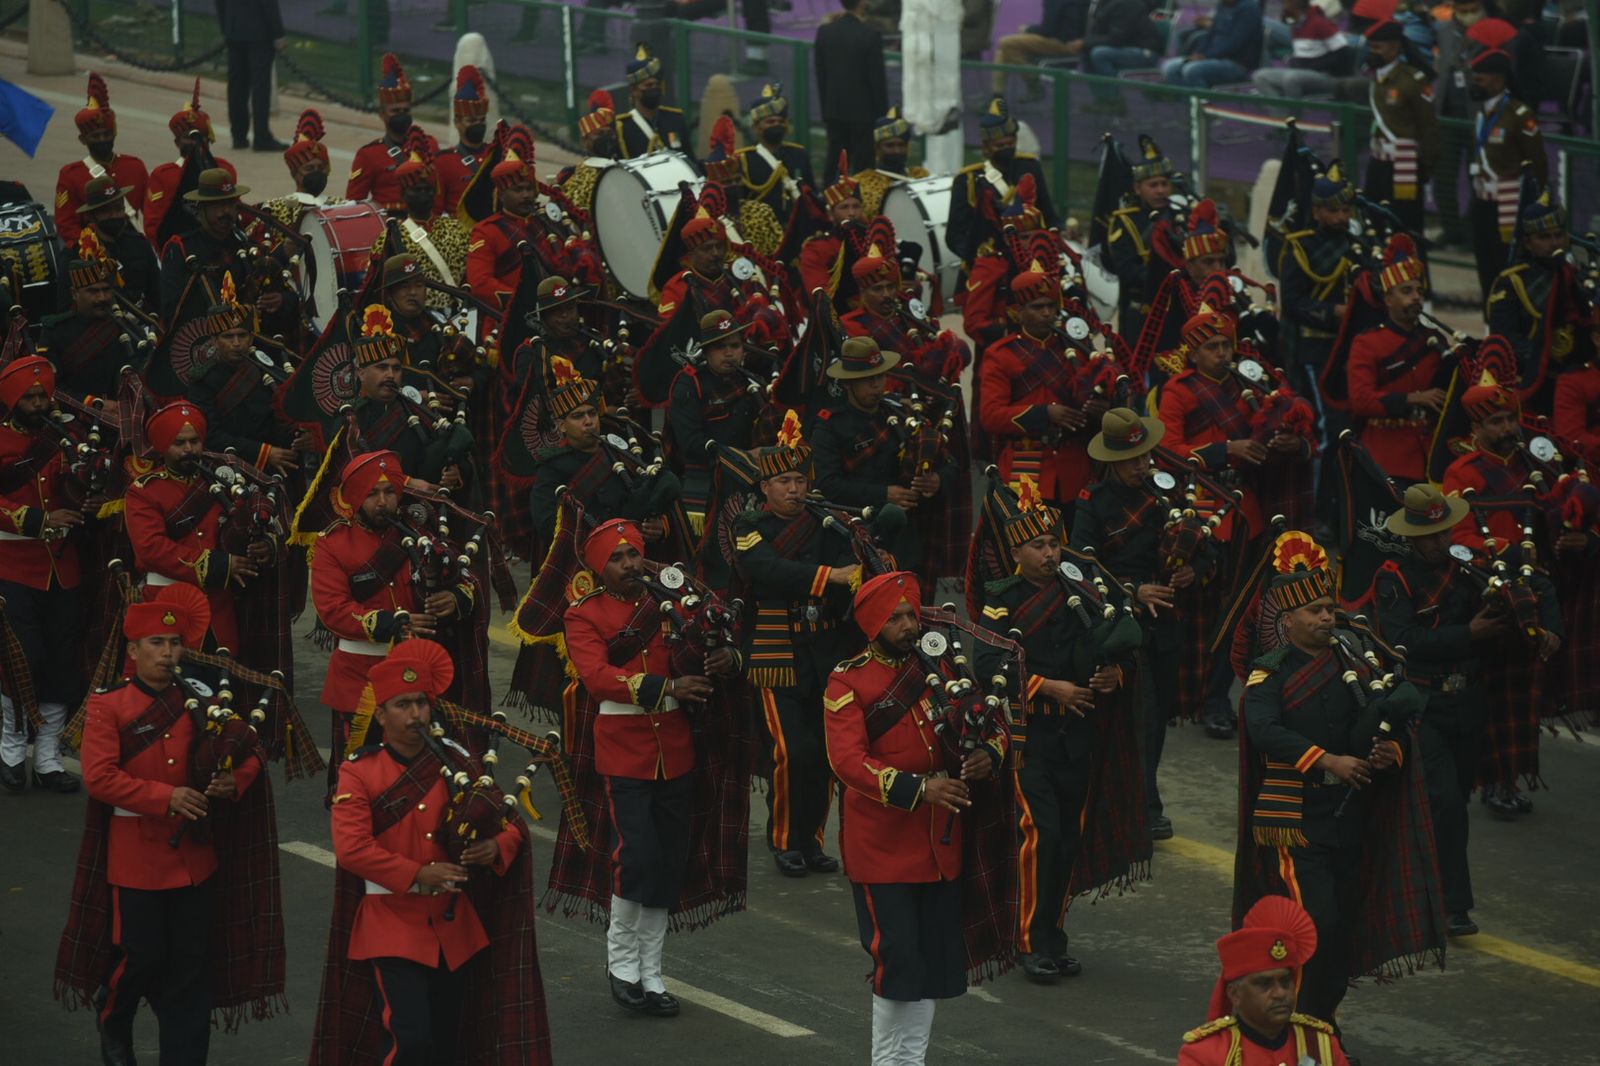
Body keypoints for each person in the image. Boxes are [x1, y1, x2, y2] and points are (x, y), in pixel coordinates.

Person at [58, 585, 282, 1066]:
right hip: (137, 858)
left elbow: (251, 749)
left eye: (174, 643)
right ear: (133, 651)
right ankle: (113, 1014)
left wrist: (233, 781)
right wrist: (168, 798)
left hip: (196, 858)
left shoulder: (201, 698)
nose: (167, 653)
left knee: (189, 971)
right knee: (141, 957)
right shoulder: (108, 705)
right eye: (155, 645)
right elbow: (99, 778)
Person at [312, 639, 550, 1065]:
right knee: (410, 1041)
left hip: (453, 928)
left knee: (447, 1042)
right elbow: (351, 850)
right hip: (391, 926)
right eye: (402, 705)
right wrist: (418, 874)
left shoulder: (459, 761)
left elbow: (510, 825)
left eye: (421, 702)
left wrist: (493, 846)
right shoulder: (359, 772)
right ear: (381, 715)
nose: (416, 714)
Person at [824, 571, 1010, 1066]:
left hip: (940, 845)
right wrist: (920, 788)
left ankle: (912, 1061)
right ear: (873, 625)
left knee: (930, 964)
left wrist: (988, 754)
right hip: (882, 847)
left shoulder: (943, 668)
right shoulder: (848, 679)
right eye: (897, 618)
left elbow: (992, 724)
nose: (910, 624)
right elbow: (847, 762)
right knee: (898, 961)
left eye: (912, 614)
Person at [560, 520, 741, 1016]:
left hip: (676, 747)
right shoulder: (584, 614)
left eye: (633, 555)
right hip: (624, 749)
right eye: (617, 559)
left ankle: (653, 972)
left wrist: (726, 655)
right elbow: (597, 678)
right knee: (635, 857)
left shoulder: (672, 600)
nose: (630, 566)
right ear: (600, 568)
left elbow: (709, 639)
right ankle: (621, 964)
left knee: (667, 861)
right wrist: (666, 688)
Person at [974, 482, 1143, 981]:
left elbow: (1124, 644)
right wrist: (1050, 688)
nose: (1050, 554)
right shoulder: (1002, 599)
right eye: (1038, 546)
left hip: (1078, 737)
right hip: (1030, 739)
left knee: (1068, 839)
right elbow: (988, 663)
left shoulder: (1083, 591)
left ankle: (1054, 937)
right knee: (1040, 834)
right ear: (1016, 552)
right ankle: (1027, 940)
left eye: (1053, 543)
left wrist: (1118, 674)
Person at [1239, 542, 1409, 1022]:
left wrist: (1390, 749)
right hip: (1295, 817)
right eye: (1314, 610)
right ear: (1287, 621)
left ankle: (1321, 1022)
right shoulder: (1268, 673)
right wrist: (1328, 761)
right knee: (1319, 926)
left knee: (1345, 929)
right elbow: (1264, 730)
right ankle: (1301, 1022)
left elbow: (1385, 720)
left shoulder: (1357, 665)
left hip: (1351, 816)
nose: (1326, 618)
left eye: (1330, 609)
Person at [1371, 485, 1505, 935]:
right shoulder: (1393, 578)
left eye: (1444, 531)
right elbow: (1404, 641)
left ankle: (1422, 886)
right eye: (1430, 535)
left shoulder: (1465, 568)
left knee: (1455, 802)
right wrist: (1469, 634)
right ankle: (1453, 905)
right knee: (1444, 801)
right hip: (1423, 704)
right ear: (1412, 536)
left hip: (1466, 702)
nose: (1439, 541)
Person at [733, 414, 862, 876]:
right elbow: (766, 570)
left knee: (827, 751)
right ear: (765, 486)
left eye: (799, 479)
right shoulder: (749, 526)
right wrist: (830, 578)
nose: (793, 489)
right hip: (776, 651)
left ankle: (812, 840)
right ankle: (786, 839)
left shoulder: (827, 522)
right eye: (783, 480)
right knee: (793, 751)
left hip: (826, 651)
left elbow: (856, 567)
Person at [1439, 369, 1566, 816]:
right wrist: (1511, 555)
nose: (1507, 429)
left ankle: (1510, 776)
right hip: (1486, 592)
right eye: (1495, 422)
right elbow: (1459, 537)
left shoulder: (1532, 469)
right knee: (1491, 695)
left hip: (1533, 589)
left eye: (1510, 419)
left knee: (1523, 695)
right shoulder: (1461, 473)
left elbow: (1553, 524)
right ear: (1475, 428)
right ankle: (1492, 780)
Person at [1074, 408, 1190, 840]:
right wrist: (1133, 591)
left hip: (1166, 624)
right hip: (1120, 621)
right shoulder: (1092, 502)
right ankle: (1138, 806)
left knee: (1157, 718)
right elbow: (1081, 566)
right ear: (1111, 460)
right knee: (1135, 718)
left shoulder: (1165, 494)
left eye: (1146, 456)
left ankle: (1142, 799)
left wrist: (1193, 570)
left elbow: (1197, 543)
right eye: (1133, 459)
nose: (1143, 465)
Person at [310, 451, 431, 768]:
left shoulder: (417, 536)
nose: (383, 502)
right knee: (358, 779)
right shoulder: (332, 544)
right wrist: (392, 623)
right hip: (358, 680)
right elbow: (333, 609)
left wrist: (456, 597)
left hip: (414, 676)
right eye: (372, 493)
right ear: (355, 497)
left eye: (389, 492)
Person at [0, 357, 87, 794]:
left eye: (42, 396)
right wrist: (37, 520)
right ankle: (12, 750)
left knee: (60, 664)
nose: (37, 404)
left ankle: (49, 757)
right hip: (12, 565)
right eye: (28, 397)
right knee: (22, 661)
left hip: (62, 567)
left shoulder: (63, 438)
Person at [124, 402, 258, 654]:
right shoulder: (144, 491)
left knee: (222, 680)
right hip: (167, 599)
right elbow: (149, 548)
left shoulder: (220, 479)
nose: (189, 449)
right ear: (164, 446)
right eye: (179, 443)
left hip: (219, 602)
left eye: (194, 441)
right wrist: (218, 565)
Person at [812, 337, 950, 576]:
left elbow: (949, 464)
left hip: (906, 540)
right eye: (867, 379)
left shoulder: (900, 413)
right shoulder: (829, 426)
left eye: (880, 376)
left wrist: (937, 480)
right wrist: (884, 495)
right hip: (855, 537)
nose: (877, 385)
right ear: (847, 383)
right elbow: (827, 486)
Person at [980, 262, 1098, 513]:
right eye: (1037, 307)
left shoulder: (1077, 350)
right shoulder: (1000, 355)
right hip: (1026, 466)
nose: (1046, 313)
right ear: (1018, 312)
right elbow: (990, 416)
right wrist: (1044, 414)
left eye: (1051, 306)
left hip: (1074, 467)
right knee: (1029, 546)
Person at [1177, 895, 1349, 1065]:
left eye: (1285, 981)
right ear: (1235, 994)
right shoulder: (1204, 1055)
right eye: (1264, 984)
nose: (1280, 993)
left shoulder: (1320, 1045)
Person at [467, 126, 603, 315]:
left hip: (559, 316)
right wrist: (526, 303)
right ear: (502, 195)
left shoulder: (549, 222)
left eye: (529, 189)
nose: (526, 195)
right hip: (512, 320)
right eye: (518, 190)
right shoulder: (487, 232)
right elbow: (481, 284)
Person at [1342, 235, 1444, 484]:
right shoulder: (1367, 343)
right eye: (1406, 291)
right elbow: (1361, 401)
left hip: (1431, 454)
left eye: (1419, 291)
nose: (1416, 297)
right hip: (1385, 455)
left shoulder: (1435, 339)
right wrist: (1414, 398)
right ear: (1388, 299)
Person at [185, 281, 307, 474]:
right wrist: (264, 453)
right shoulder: (202, 380)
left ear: (251, 338)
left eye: (242, 335)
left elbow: (285, 414)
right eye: (228, 337)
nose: (236, 343)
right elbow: (210, 436)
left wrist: (301, 435)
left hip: (282, 461)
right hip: (235, 467)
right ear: (215, 341)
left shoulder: (266, 366)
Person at [158, 169, 295, 329]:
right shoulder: (182, 248)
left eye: (231, 204)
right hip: (201, 340)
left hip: (248, 340)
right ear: (202, 209)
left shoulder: (246, 246)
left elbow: (288, 296)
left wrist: (280, 300)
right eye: (218, 205)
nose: (226, 211)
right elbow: (170, 308)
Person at [1487, 189, 1589, 403]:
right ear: (1527, 243)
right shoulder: (1512, 283)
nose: (1554, 243)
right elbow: (1504, 339)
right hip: (1532, 385)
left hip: (1578, 383)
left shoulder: (1579, 277)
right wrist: (1544, 359)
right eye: (1544, 237)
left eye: (1559, 235)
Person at [667, 311, 764, 529]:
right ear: (707, 351)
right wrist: (742, 457)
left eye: (735, 346)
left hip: (747, 478)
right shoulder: (690, 383)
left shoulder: (751, 381)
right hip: (703, 477)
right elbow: (690, 442)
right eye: (721, 347)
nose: (729, 353)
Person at [1467, 48, 1546, 303]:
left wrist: (1536, 200)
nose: (1474, 84)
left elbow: (1537, 162)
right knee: (1485, 264)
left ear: (1498, 81)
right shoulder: (1482, 114)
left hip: (1508, 203)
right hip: (1482, 200)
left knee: (1506, 263)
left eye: (1480, 79)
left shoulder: (1519, 115)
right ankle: (1490, 322)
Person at [946, 96, 1058, 269]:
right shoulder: (968, 181)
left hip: (1032, 263)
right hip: (990, 267)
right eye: (999, 146)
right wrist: (979, 260)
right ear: (986, 147)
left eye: (1010, 143)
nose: (1007, 149)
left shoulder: (1030, 168)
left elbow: (1049, 216)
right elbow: (955, 236)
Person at [371, 138, 472, 314]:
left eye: (428, 190)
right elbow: (379, 285)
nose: (423, 195)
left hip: (457, 315)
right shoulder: (390, 238)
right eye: (417, 190)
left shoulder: (458, 230)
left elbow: (470, 276)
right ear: (403, 195)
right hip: (414, 317)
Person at [1363, 18, 1440, 247]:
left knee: (1406, 227)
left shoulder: (1412, 80)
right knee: (1374, 222)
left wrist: (1425, 166)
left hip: (1404, 164)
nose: (1372, 52)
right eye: (1371, 46)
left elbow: (1429, 128)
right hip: (1378, 161)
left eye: (1378, 47)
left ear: (1395, 48)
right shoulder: (1376, 77)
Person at [1102, 135, 1184, 344]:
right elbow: (1126, 269)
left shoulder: (1181, 217)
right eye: (1153, 185)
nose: (1160, 190)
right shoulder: (1125, 221)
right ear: (1138, 188)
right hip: (1143, 312)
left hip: (1179, 308)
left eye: (1164, 184)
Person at [36, 233, 130, 413]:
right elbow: (50, 386)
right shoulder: (55, 332)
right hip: (77, 417)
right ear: (74, 294)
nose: (102, 298)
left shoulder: (124, 326)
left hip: (126, 414)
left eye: (106, 290)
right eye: (93, 292)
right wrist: (93, 404)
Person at [55, 73, 148, 247]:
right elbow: (66, 224)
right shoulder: (71, 175)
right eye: (96, 136)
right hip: (93, 251)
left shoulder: (135, 167)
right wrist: (91, 249)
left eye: (107, 134)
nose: (102, 140)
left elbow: (149, 214)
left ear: (114, 133)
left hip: (134, 247)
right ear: (83, 140)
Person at [144, 80, 239, 244]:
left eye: (201, 137)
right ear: (177, 142)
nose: (196, 142)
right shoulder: (163, 175)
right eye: (189, 137)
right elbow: (154, 224)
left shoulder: (224, 168)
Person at [347, 54, 438, 213]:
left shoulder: (429, 145)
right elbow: (354, 204)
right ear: (382, 114)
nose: (402, 114)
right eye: (395, 111)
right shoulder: (369, 155)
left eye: (406, 110)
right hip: (389, 228)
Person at [816, 0, 889, 183]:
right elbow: (877, 82)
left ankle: (829, 204)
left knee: (835, 164)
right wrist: (883, 119)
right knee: (864, 170)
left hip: (834, 110)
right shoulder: (870, 36)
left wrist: (827, 110)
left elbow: (821, 76)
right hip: (864, 116)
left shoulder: (825, 32)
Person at [74, 176, 160, 315]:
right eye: (105, 211)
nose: (113, 215)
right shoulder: (78, 252)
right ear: (91, 215)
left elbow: (157, 293)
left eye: (118, 209)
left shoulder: (140, 244)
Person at [735, 84, 816, 218]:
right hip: (762, 228)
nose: (776, 125)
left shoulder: (799, 155)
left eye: (780, 121)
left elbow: (811, 193)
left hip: (795, 225)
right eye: (770, 121)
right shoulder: (744, 159)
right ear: (756, 127)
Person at [1251, 0, 1354, 99]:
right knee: (1260, 77)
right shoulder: (1297, 25)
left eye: (1286, 2)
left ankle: (1293, 116)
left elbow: (1344, 53)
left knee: (1292, 79)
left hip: (1325, 75)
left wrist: (1313, 65)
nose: (1284, 6)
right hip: (1301, 72)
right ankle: (1280, 116)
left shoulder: (1320, 23)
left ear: (1296, 3)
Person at [613, 45, 697, 164]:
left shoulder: (674, 120)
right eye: (648, 85)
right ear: (634, 91)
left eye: (656, 85)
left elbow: (689, 159)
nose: (654, 89)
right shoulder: (623, 128)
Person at [219, 0, 285, 151]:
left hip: (234, 28)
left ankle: (238, 136)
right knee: (260, 86)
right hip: (259, 30)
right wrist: (278, 33)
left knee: (237, 85)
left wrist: (226, 26)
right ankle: (261, 137)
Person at [261, 109, 341, 232]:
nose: (316, 172)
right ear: (294, 173)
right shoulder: (273, 209)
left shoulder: (339, 206)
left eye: (320, 168)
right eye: (309, 168)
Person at [990, 0, 1090, 97]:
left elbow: (1048, 31)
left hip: (1064, 44)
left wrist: (1027, 29)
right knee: (1003, 51)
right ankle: (997, 97)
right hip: (1071, 43)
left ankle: (1034, 79)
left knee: (1006, 43)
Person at [1162, 0, 1263, 89]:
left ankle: (1201, 104)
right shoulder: (1222, 6)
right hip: (1212, 58)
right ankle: (1186, 102)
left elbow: (1234, 43)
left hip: (1236, 63)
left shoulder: (1249, 9)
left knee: (1191, 70)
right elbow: (1210, 35)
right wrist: (1198, 53)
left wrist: (1205, 56)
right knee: (1169, 67)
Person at [434, 65, 491, 216]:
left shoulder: (496, 153)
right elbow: (436, 210)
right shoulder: (443, 162)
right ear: (457, 123)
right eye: (472, 121)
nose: (478, 124)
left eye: (481, 120)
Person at [853, 107, 928, 219]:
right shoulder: (861, 183)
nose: (896, 151)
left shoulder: (921, 177)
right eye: (890, 145)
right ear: (877, 148)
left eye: (901, 145)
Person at [1083, 0, 1164, 85]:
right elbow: (1097, 33)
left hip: (1145, 51)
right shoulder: (1103, 4)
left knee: (1099, 54)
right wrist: (1085, 44)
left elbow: (1117, 39)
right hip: (1125, 46)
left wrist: (1085, 43)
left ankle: (1113, 93)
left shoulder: (1127, 4)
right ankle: (1092, 93)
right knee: (1086, 49)